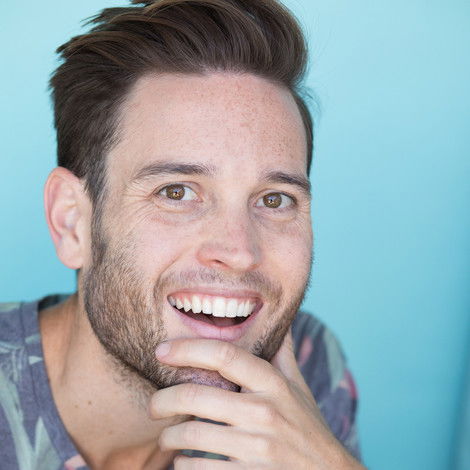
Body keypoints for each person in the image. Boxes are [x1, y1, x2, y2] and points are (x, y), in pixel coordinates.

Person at [0, 0, 365, 468]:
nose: (239, 252)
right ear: (72, 222)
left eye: (274, 199)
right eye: (176, 192)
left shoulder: (308, 368)